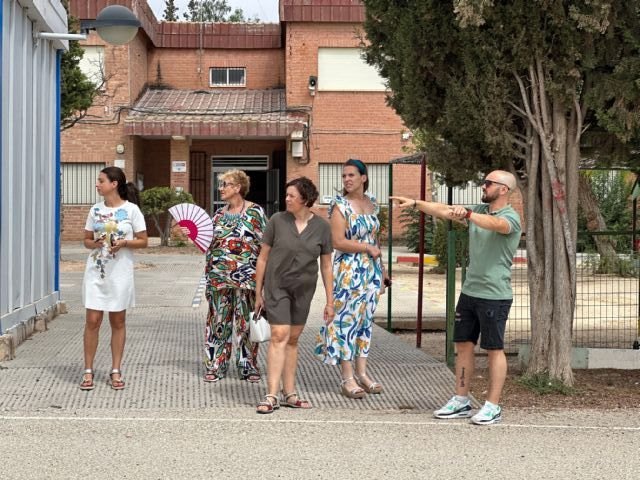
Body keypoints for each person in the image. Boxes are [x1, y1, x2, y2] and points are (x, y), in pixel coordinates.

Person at [390, 170, 521, 425]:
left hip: (495, 295)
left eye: (488, 183)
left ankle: (492, 406)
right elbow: (443, 210)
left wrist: (470, 215)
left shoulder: (510, 217)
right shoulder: (477, 210)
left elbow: (497, 226)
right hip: (469, 292)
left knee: (494, 349)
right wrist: (416, 204)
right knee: (462, 345)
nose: (483, 186)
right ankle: (461, 400)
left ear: (503, 189)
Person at [254, 177, 334, 413]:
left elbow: (327, 265)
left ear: (305, 199)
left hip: (304, 290)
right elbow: (263, 257)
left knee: (293, 339)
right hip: (277, 286)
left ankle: (290, 393)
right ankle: (271, 395)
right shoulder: (277, 221)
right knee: (279, 334)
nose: (287, 199)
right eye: (287, 195)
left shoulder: (322, 227)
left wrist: (330, 301)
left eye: (292, 195)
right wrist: (258, 291)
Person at [315, 159, 390, 398]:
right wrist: (366, 249)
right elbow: (337, 241)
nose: (347, 180)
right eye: (344, 176)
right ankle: (347, 378)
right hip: (349, 271)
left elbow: (376, 240)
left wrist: (384, 270)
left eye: (351, 175)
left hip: (371, 272)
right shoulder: (339, 206)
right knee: (345, 322)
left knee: (365, 323)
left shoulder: (373, 204)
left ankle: (363, 374)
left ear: (363, 178)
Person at [80, 166, 148, 391]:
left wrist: (125, 243)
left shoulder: (131, 211)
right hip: (96, 272)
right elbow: (86, 241)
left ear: (114, 183)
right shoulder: (95, 210)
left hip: (120, 274)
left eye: (101, 181)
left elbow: (143, 240)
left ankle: (116, 370)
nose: (97, 184)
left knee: (117, 321)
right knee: (92, 320)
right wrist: (97, 243)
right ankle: (88, 370)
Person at [202, 169, 267, 383]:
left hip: (247, 279)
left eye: (225, 184)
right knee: (218, 322)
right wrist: (194, 236)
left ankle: (247, 365)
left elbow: (266, 247)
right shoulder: (218, 215)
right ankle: (217, 365)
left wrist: (263, 284)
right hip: (218, 279)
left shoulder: (255, 212)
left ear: (237, 188)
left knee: (246, 324)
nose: (220, 188)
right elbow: (210, 245)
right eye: (220, 184)